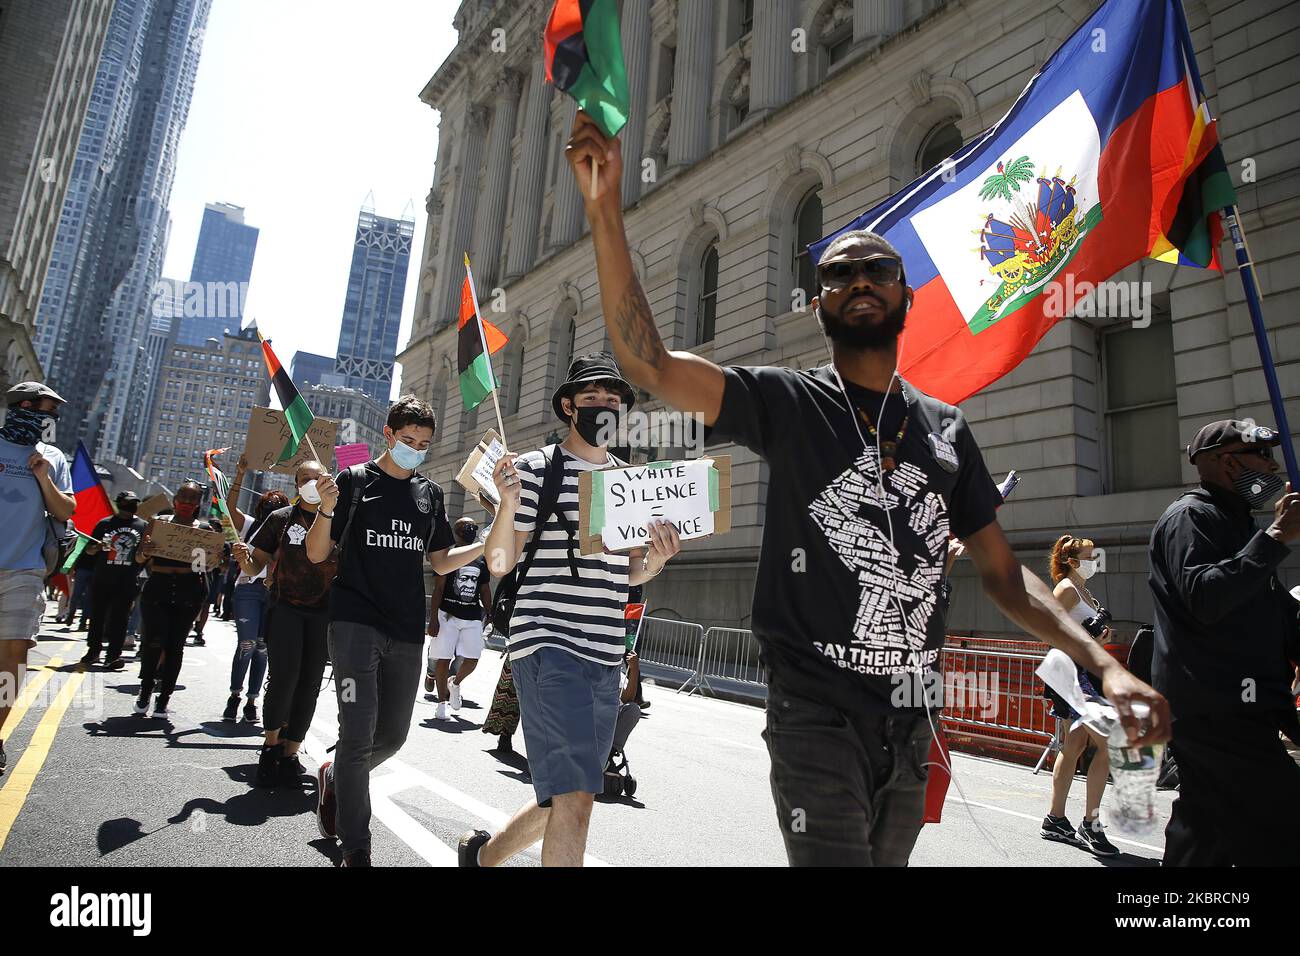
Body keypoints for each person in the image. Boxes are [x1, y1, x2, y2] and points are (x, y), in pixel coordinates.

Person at [559, 110, 1170, 866]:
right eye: (837, 274)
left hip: (911, 719)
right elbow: (648, 363)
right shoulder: (786, 403)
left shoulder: (946, 430)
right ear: (818, 307)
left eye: (876, 269)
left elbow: (1006, 578)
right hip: (814, 711)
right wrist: (605, 214)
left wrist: (1104, 663)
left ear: (905, 299)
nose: (857, 281)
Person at [458, 354, 682, 868]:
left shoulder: (631, 483)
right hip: (547, 644)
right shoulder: (535, 469)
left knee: (568, 790)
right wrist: (509, 503)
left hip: (605, 655)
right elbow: (499, 562)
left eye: (613, 400)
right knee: (579, 797)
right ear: (568, 406)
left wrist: (658, 559)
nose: (604, 406)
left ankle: (484, 857)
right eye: (591, 399)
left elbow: (628, 575)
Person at [307, 396, 485, 867]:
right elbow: (316, 555)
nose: (416, 450)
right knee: (358, 734)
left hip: (405, 631)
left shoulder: (430, 493)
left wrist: (483, 547)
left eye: (424, 444)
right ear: (388, 435)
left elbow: (440, 558)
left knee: (393, 736)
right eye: (408, 441)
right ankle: (356, 847)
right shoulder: (353, 481)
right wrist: (326, 510)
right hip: (354, 626)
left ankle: (335, 773)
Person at [1150, 419, 1300, 865]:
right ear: (1228, 462)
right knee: (1282, 819)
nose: (1273, 467)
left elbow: (1267, 611)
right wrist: (1275, 538)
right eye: (1263, 456)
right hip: (1214, 707)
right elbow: (1205, 596)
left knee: (1206, 830)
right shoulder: (1191, 518)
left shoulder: (1239, 523)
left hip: (1248, 701)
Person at [239, 459, 335, 788]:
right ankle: (270, 747)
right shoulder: (280, 519)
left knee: (309, 683)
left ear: (327, 481)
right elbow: (255, 567)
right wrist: (244, 559)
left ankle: (291, 751)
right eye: (304, 478)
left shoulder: (339, 521)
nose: (311, 482)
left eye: (317, 477)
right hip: (285, 609)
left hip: (323, 614)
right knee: (284, 679)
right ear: (296, 485)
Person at [0, 382, 75, 775]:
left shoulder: (52, 456)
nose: (52, 419)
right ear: (24, 407)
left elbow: (65, 511)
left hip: (25, 571)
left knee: (13, 658)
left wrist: (44, 477)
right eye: (48, 410)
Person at [1038, 534, 1117, 856]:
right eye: (1088, 556)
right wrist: (1088, 634)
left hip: (1085, 672)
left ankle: (1055, 819)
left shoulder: (1083, 589)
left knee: (1074, 745)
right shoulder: (1067, 589)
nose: (1094, 561)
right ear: (1071, 561)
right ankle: (1090, 823)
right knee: (1108, 743)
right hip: (1072, 674)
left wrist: (1098, 635)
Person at [133, 481, 210, 717]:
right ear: (174, 501)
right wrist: (146, 550)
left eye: (192, 501)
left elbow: (204, 567)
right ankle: (145, 690)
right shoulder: (157, 524)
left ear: (198, 504)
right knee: (153, 642)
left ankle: (164, 698)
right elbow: (138, 559)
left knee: (176, 646)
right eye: (182, 500)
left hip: (188, 592)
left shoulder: (204, 530)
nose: (186, 505)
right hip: (159, 589)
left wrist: (210, 556)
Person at [221, 459, 289, 724]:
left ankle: (252, 699)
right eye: (268, 506)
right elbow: (228, 511)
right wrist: (239, 475)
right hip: (248, 590)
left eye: (278, 507)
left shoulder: (289, 532)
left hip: (275, 593)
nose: (273, 510)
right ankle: (234, 695)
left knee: (262, 647)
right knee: (247, 644)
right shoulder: (250, 525)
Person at [427, 517, 491, 720]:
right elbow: (438, 588)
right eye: (466, 527)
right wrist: (433, 619)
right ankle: (441, 704)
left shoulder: (481, 557)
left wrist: (490, 612)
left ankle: (454, 684)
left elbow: (484, 588)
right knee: (443, 658)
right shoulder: (449, 555)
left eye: (473, 527)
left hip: (471, 615)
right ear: (457, 532)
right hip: (447, 614)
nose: (470, 530)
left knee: (473, 657)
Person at [81, 490, 149, 670]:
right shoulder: (105, 524)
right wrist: (97, 547)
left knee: (120, 620)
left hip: (127, 581)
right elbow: (88, 550)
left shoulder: (143, 526)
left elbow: (146, 554)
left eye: (134, 502)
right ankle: (93, 650)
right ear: (120, 503)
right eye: (128, 502)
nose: (131, 506)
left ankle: (113, 655)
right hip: (103, 578)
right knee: (97, 617)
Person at [64, 537, 97, 629]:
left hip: (83, 569)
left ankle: (72, 613)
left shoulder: (84, 537)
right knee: (88, 597)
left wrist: (72, 568)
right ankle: (82, 621)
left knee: (77, 594)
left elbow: (76, 553)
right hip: (91, 569)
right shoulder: (102, 537)